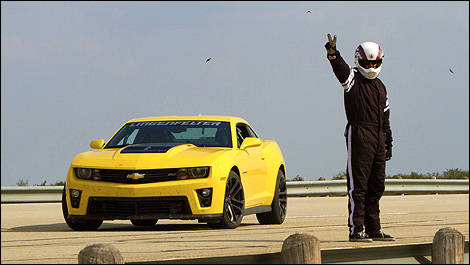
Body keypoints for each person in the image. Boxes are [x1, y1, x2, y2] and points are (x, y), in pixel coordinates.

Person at [324, 34, 394, 242]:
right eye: (367, 62)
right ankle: (356, 230)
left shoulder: (381, 86)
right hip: (360, 133)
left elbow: (386, 116)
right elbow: (341, 72)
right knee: (359, 186)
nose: (371, 66)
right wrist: (334, 55)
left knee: (377, 185)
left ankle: (374, 229)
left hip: (378, 136)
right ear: (358, 60)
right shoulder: (353, 79)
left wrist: (388, 141)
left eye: (374, 62)